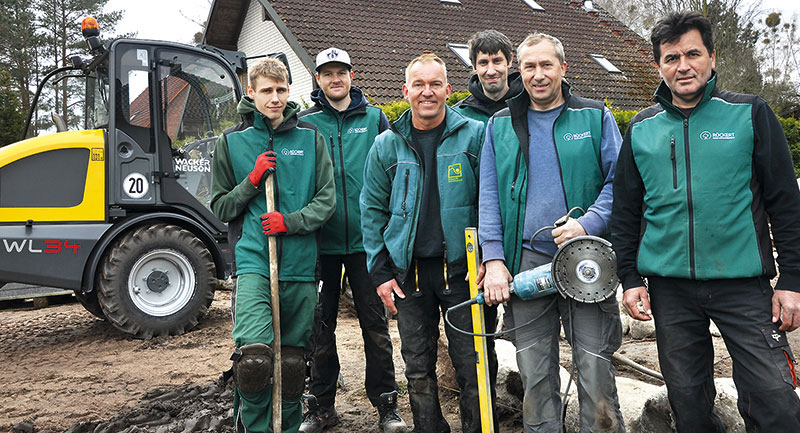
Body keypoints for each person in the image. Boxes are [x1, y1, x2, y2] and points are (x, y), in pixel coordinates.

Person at [612, 11, 800, 432]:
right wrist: (631, 279)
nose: (683, 66)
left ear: (712, 58)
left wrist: (792, 281)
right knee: (689, 405)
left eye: (692, 54)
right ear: (658, 65)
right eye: (671, 57)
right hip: (670, 290)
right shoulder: (642, 128)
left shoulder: (750, 114)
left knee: (775, 400)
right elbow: (626, 212)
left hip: (743, 286)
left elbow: (786, 204)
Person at [479, 33, 625, 433]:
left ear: (563, 68)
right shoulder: (501, 125)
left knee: (595, 367)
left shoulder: (595, 117)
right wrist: (493, 260)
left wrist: (587, 223)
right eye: (529, 67)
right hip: (526, 262)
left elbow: (621, 184)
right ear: (518, 72)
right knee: (534, 372)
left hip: (586, 260)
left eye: (546, 65)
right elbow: (488, 197)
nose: (538, 75)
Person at [360, 52, 492, 433]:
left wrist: (490, 257)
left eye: (435, 84)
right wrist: (381, 273)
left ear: (448, 90)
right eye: (419, 85)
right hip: (408, 277)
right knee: (417, 368)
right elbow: (371, 211)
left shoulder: (475, 135)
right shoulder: (387, 145)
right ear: (406, 91)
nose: (427, 92)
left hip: (464, 274)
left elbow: (490, 203)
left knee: (474, 366)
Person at [210, 57, 335, 433]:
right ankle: (253, 427)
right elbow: (220, 206)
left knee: (293, 364)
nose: (275, 99)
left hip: (299, 263)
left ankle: (288, 427)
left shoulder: (311, 139)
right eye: (267, 91)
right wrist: (251, 180)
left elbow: (326, 201)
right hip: (254, 262)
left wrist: (290, 222)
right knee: (254, 360)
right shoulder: (232, 142)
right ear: (251, 92)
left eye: (281, 90)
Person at [297, 47, 406, 433]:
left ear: (351, 75)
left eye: (341, 71)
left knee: (375, 328)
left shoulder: (375, 119)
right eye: (327, 73)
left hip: (367, 245)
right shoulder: (305, 123)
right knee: (319, 328)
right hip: (320, 244)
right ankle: (321, 407)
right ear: (318, 79)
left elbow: (396, 172)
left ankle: (386, 406)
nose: (335, 79)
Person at [454, 29, 523, 124]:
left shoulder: (529, 107)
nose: (491, 71)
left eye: (497, 61)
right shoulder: (458, 116)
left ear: (510, 60)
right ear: (474, 65)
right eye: (483, 63)